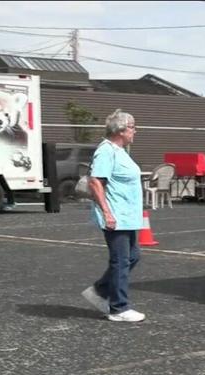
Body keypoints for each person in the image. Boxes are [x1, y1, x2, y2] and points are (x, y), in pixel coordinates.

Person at [81, 109, 146, 322]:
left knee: (132, 256)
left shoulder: (120, 151)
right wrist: (107, 212)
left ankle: (99, 290)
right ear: (121, 130)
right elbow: (95, 181)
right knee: (121, 260)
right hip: (116, 215)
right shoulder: (106, 151)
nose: (135, 132)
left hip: (127, 215)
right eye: (132, 128)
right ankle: (119, 308)